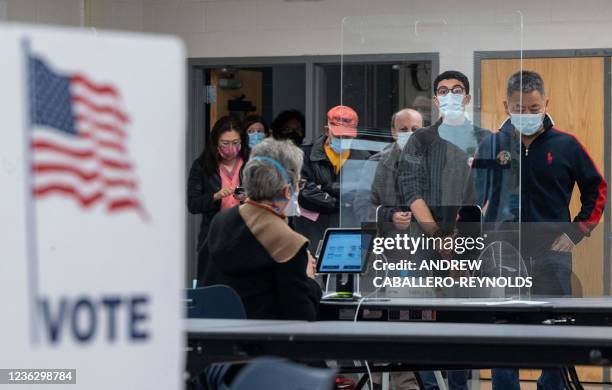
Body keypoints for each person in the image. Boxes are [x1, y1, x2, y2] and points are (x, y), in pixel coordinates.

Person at [477, 70, 607, 390]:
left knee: (557, 331)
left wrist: (576, 232)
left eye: (534, 109)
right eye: (519, 108)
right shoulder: (491, 145)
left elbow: (597, 189)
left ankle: (550, 386)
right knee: (503, 332)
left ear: (546, 103)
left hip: (553, 252)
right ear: (506, 105)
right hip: (504, 253)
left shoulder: (566, 145)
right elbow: (473, 196)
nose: (527, 115)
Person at [198, 138, 321, 320]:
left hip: (214, 341)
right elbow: (303, 317)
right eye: (298, 184)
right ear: (288, 191)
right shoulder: (288, 242)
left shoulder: (220, 221)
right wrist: (309, 279)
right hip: (265, 343)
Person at [296, 105, 370, 253]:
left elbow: (363, 195)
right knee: (313, 272)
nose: (343, 140)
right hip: (313, 230)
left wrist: (324, 188)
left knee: (349, 272)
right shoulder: (304, 154)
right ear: (326, 130)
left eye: (347, 136)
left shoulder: (364, 157)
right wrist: (342, 203)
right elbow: (304, 194)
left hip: (349, 230)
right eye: (338, 136)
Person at [187, 116, 249, 257]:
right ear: (215, 142)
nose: (231, 148)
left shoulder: (251, 162)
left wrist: (248, 196)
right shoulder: (202, 165)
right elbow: (193, 204)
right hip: (214, 236)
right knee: (215, 278)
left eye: (235, 143)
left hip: (245, 233)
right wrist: (215, 196)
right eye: (225, 143)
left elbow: (265, 196)